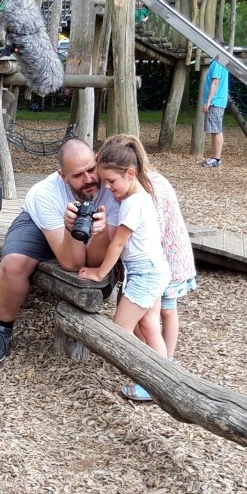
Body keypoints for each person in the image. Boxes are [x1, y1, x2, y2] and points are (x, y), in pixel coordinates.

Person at [0, 137, 120, 363]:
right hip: (42, 225)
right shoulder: (44, 194)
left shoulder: (112, 185)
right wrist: (69, 227)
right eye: (77, 175)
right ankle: (2, 329)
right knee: (12, 264)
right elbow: (73, 263)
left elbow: (92, 262)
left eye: (91, 169)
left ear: (97, 160)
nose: (88, 179)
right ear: (63, 176)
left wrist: (102, 231)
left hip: (92, 233)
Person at [77, 135, 171, 398]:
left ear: (130, 173)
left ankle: (152, 382)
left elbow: (117, 244)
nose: (107, 187)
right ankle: (162, 378)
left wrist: (99, 272)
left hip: (145, 273)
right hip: (154, 269)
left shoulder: (132, 204)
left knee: (120, 329)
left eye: (111, 181)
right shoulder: (142, 195)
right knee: (149, 326)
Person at [124, 169, 197, 401]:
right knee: (148, 320)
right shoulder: (140, 185)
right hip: (157, 261)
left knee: (167, 310)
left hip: (170, 259)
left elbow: (157, 230)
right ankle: (157, 357)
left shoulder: (152, 189)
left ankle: (166, 362)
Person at [200, 55, 229, 167]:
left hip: (215, 101)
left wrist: (208, 101)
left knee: (216, 130)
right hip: (217, 101)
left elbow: (215, 82)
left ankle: (216, 159)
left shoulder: (217, 63)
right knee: (215, 129)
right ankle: (215, 157)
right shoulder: (222, 62)